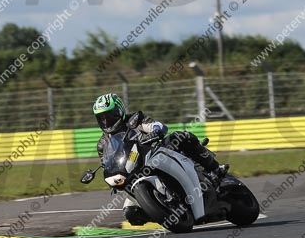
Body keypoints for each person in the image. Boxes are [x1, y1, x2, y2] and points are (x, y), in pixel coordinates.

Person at [92, 93, 228, 225]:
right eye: (101, 118)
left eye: (109, 115)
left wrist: (155, 131)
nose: (105, 121)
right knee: (130, 213)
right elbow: (107, 163)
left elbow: (157, 125)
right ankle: (164, 212)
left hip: (156, 151)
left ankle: (214, 169)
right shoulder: (102, 144)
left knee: (180, 137)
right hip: (135, 170)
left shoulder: (135, 120)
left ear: (119, 110)